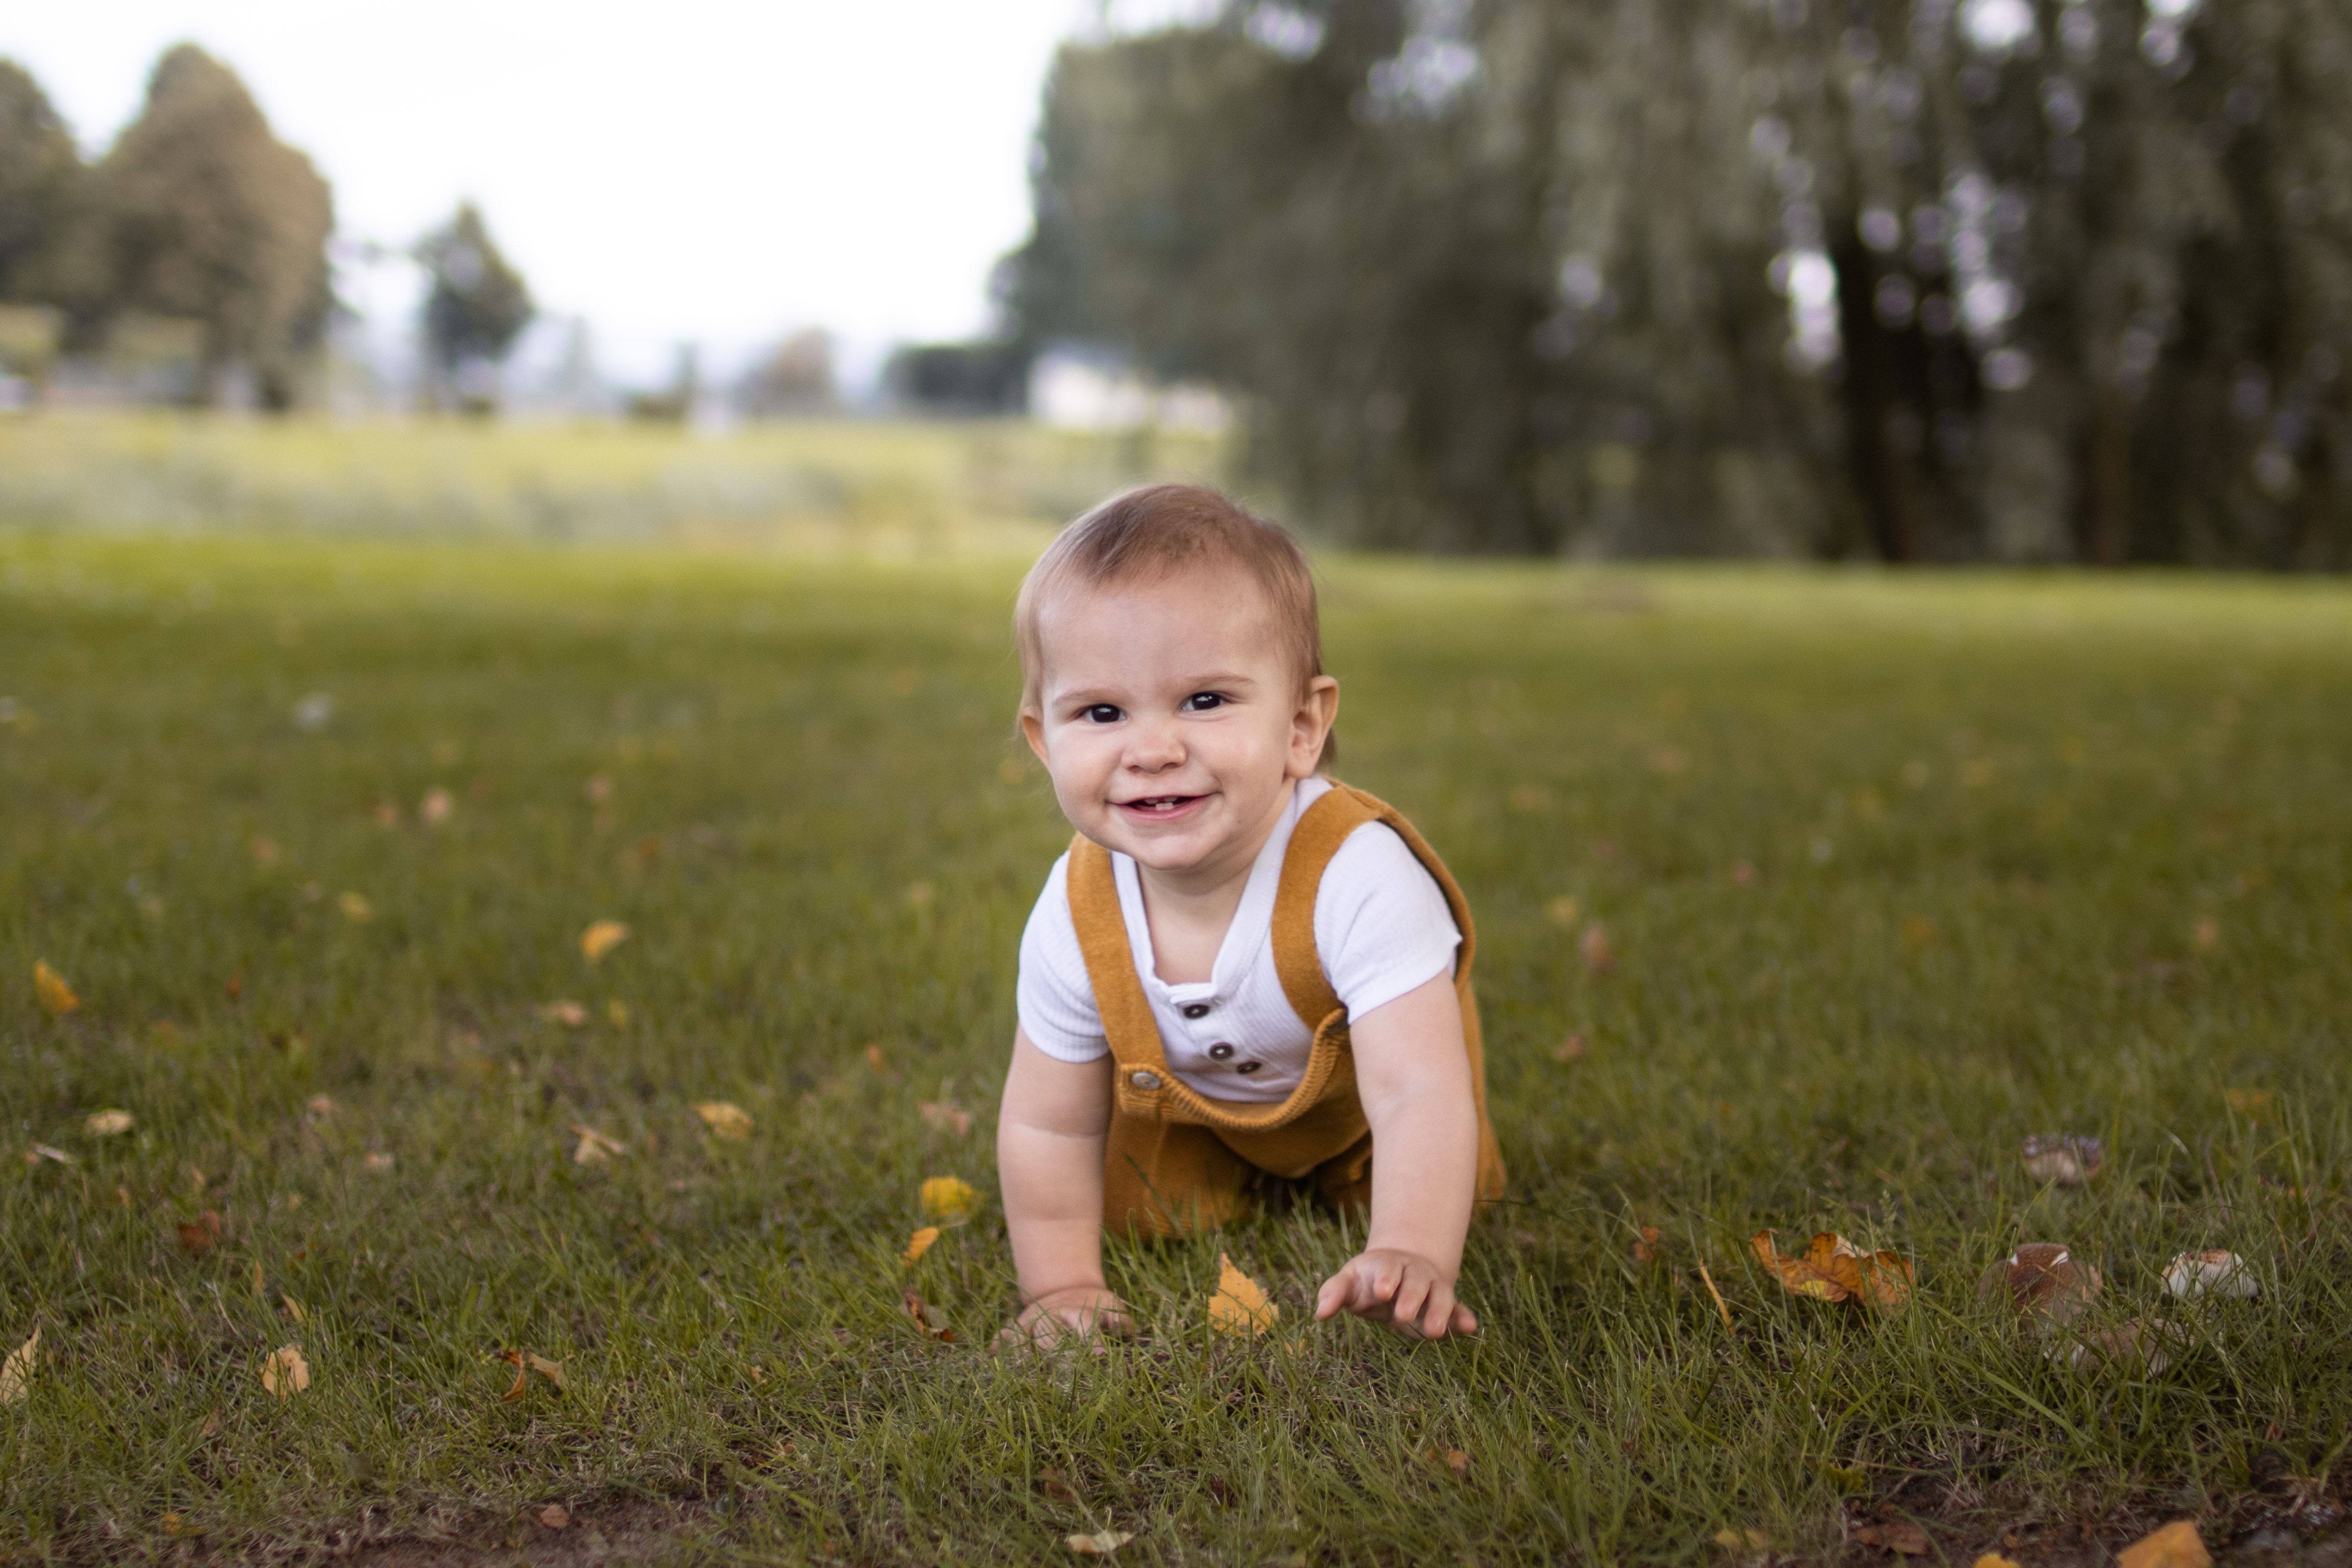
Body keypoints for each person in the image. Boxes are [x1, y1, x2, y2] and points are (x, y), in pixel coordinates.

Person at [996, 483, 1504, 1348]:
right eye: (1102, 712)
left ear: (1302, 725)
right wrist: (1063, 1287)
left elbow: (1418, 1088)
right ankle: (1216, 1182)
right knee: (1133, 1205)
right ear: (1045, 739)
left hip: (1364, 1118)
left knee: (1433, 1180)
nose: (1153, 750)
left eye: (1205, 700)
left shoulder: (1356, 874)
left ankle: (1386, 1222)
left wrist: (1412, 1249)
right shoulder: (1076, 911)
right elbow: (1048, 1119)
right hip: (1193, 1113)